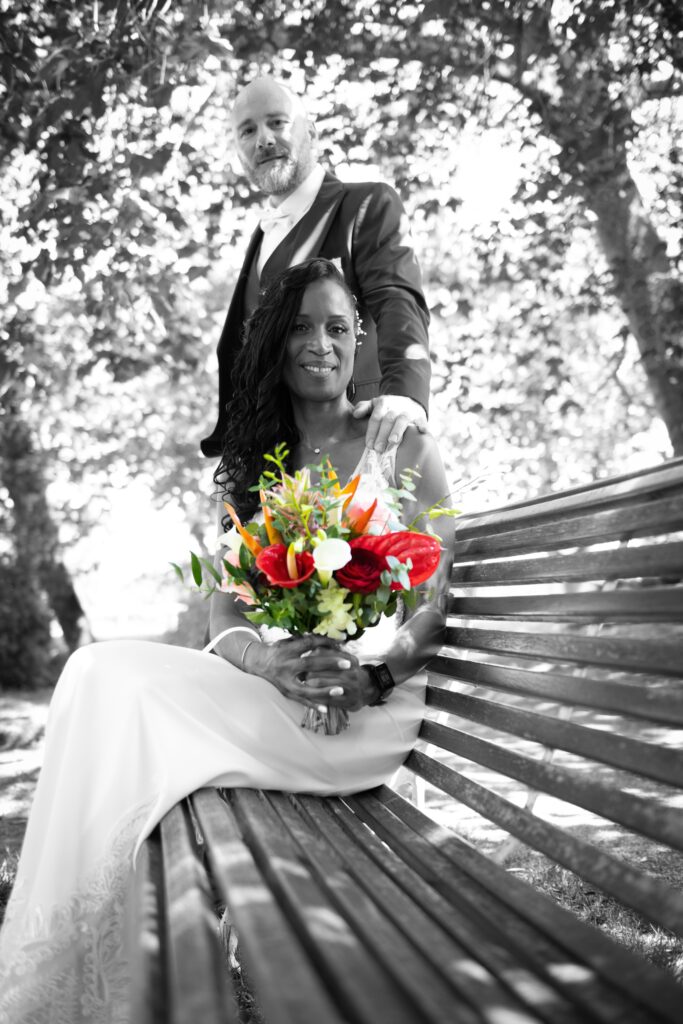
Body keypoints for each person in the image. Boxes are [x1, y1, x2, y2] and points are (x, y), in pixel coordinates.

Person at [0, 259, 454, 1024]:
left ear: (359, 342)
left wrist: (374, 675)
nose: (321, 343)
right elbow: (225, 619)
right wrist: (274, 662)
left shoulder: (399, 442)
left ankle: (102, 965)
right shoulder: (250, 467)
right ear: (275, 342)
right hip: (280, 693)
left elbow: (438, 599)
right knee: (90, 674)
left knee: (118, 689)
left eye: (338, 328)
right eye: (302, 326)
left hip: (367, 709)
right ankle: (83, 957)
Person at [201, 75, 431, 460]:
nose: (264, 139)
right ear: (238, 151)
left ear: (310, 131)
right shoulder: (259, 241)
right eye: (248, 130)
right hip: (273, 465)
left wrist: (406, 397)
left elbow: (397, 301)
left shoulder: (366, 206)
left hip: (363, 443)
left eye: (277, 122)